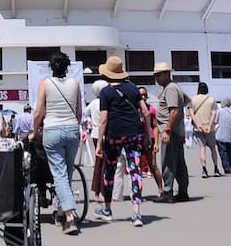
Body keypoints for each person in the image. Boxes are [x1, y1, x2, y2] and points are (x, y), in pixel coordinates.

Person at [93, 56, 151, 227]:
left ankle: (107, 210)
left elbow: (103, 119)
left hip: (114, 134)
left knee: (109, 171)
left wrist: (99, 143)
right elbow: (145, 112)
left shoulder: (106, 92)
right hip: (134, 133)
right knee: (135, 171)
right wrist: (147, 134)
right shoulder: (133, 88)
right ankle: (137, 213)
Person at [30, 52, 82, 234]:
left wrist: (34, 132)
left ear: (51, 67)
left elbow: (39, 112)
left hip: (52, 130)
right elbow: (79, 113)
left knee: (59, 174)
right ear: (67, 67)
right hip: (72, 129)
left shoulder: (45, 83)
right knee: (67, 173)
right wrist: (73, 125)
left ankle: (69, 217)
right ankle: (60, 212)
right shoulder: (75, 84)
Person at [154, 62, 190, 203]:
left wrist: (167, 130)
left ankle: (168, 191)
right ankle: (183, 191)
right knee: (179, 162)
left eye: (159, 75)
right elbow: (187, 100)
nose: (157, 78)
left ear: (166, 74)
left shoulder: (170, 88)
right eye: (156, 75)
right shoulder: (174, 87)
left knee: (168, 162)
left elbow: (173, 110)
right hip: (177, 130)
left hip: (170, 131)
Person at [189, 82, 222, 178]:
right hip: (209, 128)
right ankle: (216, 168)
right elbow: (214, 114)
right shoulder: (211, 100)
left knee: (202, 148)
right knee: (213, 149)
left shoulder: (193, 100)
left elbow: (192, 114)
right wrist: (210, 125)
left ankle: (204, 169)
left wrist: (198, 125)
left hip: (198, 128)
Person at [139, 86, 164, 197]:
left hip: (150, 139)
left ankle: (160, 189)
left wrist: (157, 143)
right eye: (141, 95)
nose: (143, 97)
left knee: (153, 165)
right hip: (137, 140)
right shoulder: (134, 110)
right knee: (137, 167)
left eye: (145, 95)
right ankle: (137, 192)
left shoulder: (151, 109)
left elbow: (155, 126)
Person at [214, 98, 231, 174]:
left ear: (224, 104)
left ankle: (227, 167)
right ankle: (228, 165)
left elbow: (215, 121)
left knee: (223, 152)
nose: (220, 104)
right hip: (230, 135)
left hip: (220, 135)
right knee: (230, 152)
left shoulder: (219, 111)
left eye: (221, 103)